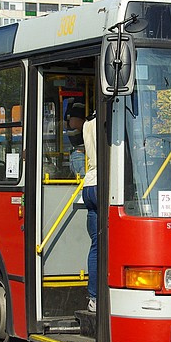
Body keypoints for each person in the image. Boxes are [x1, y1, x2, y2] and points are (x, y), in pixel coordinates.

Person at [66, 103, 98, 313]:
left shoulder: (88, 124)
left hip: (89, 184)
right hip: (105, 185)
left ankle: (94, 298)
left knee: (96, 244)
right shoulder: (110, 120)